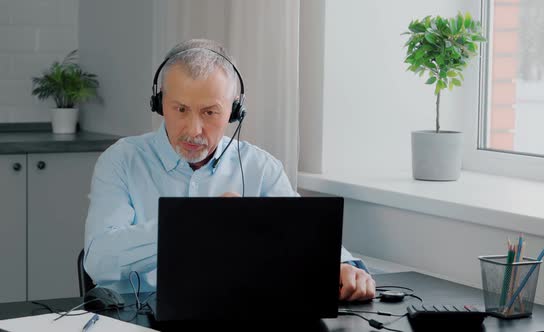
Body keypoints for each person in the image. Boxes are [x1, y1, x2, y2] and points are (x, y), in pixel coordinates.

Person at [83, 39, 375, 302]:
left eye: (210, 112)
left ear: (235, 112)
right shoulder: (121, 160)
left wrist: (343, 266)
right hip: (140, 319)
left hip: (240, 315)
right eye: (180, 109)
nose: (194, 130)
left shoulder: (260, 167)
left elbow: (306, 238)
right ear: (160, 104)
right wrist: (195, 223)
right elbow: (99, 261)